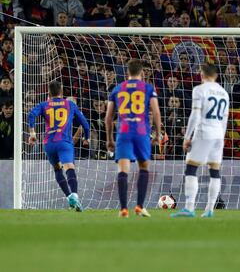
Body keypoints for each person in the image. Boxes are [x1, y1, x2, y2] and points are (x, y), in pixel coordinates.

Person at [105, 59, 162, 218]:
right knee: (143, 167)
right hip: (141, 131)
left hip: (123, 132)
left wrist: (109, 138)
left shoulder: (117, 89)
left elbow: (108, 117)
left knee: (123, 170)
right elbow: (156, 112)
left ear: (127, 73)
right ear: (142, 72)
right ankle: (140, 206)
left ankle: (123, 209)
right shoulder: (147, 88)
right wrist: (157, 135)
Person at [171, 63, 229, 218]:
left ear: (202, 75)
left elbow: (195, 115)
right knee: (214, 170)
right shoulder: (224, 93)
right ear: (216, 75)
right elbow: (224, 119)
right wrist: (221, 139)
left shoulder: (199, 90)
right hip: (218, 134)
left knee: (191, 168)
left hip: (204, 132)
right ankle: (209, 210)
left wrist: (187, 137)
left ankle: (189, 208)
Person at [28, 81, 90, 211]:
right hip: (64, 143)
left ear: (49, 93)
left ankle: (69, 198)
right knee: (69, 167)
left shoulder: (44, 104)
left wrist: (32, 133)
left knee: (57, 169)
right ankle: (74, 196)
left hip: (49, 144)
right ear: (62, 92)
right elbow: (84, 123)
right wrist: (87, 137)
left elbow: (31, 115)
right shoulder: (70, 104)